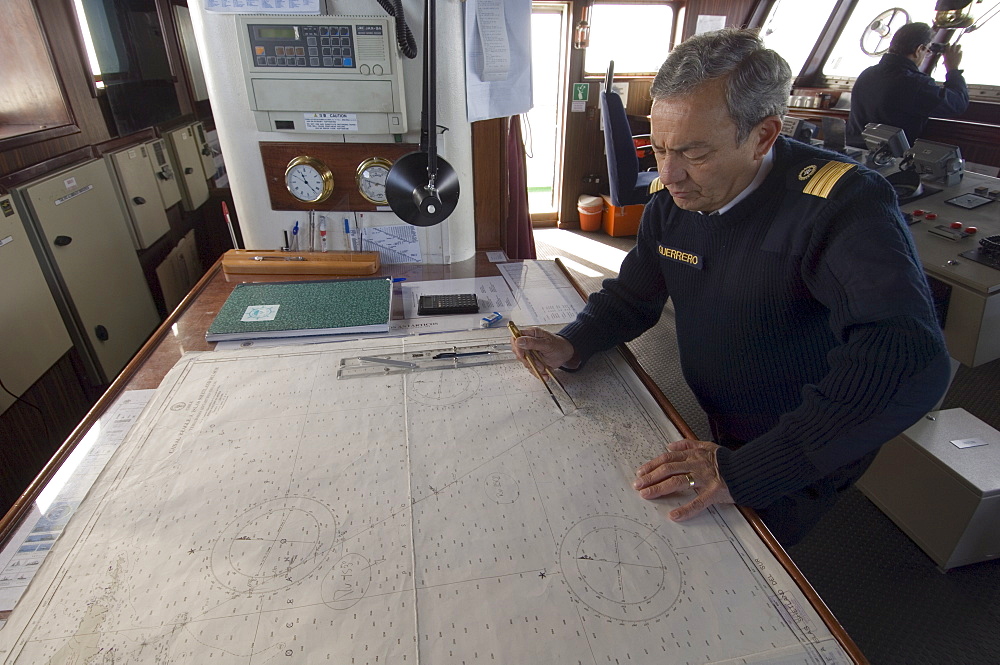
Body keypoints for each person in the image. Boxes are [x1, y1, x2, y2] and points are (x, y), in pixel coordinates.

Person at [512, 28, 951, 547]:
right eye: (658, 148)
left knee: (753, 559)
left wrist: (753, 470)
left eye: (694, 155)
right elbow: (635, 295)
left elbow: (908, 360)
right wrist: (575, 341)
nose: (668, 175)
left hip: (807, 433)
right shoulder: (672, 203)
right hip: (720, 421)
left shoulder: (841, 205)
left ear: (763, 135)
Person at [846, 22, 968, 148]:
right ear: (919, 49)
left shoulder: (867, 74)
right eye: (927, 50)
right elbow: (957, 104)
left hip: (854, 153)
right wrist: (953, 69)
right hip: (885, 160)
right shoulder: (915, 83)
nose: (926, 55)